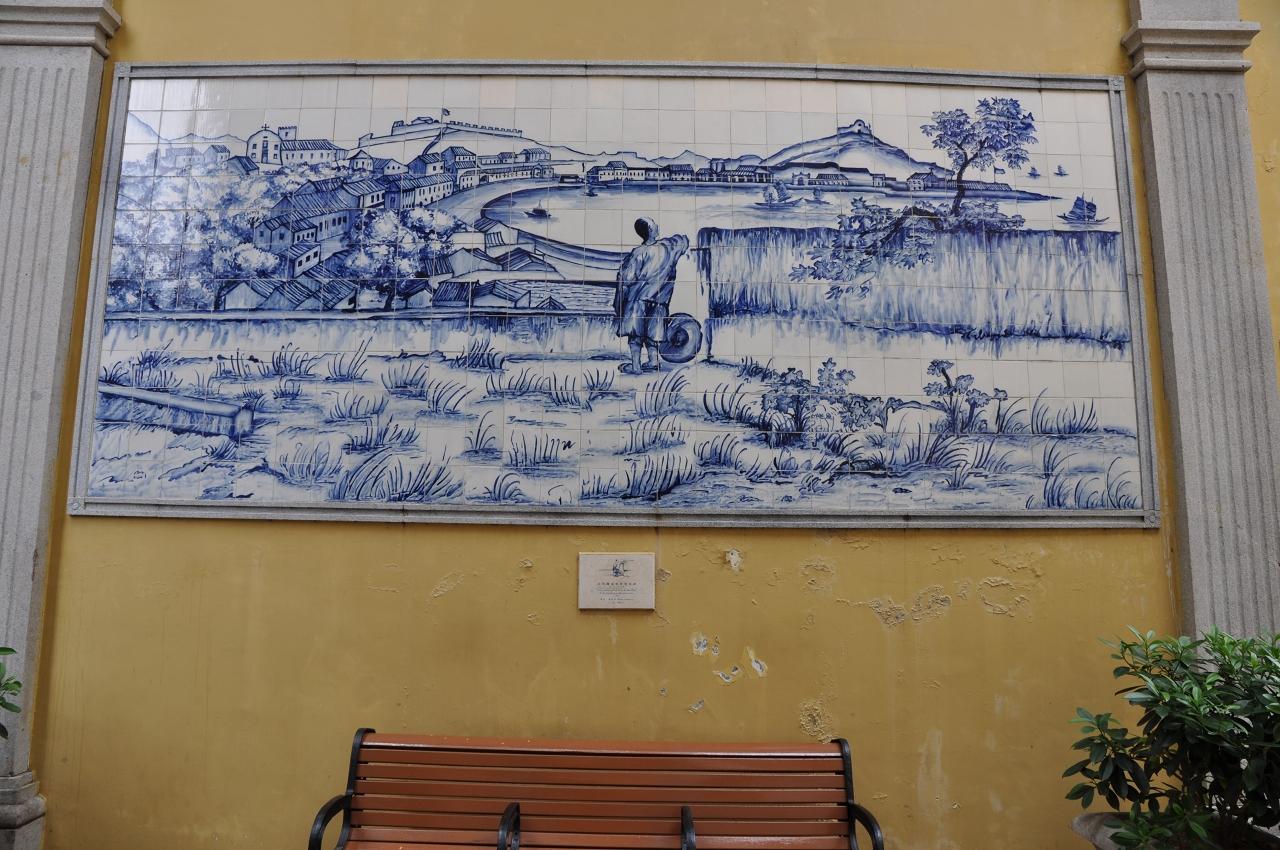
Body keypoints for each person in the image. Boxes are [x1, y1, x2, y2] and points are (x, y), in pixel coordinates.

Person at [614, 217, 689, 374]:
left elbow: (627, 278)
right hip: (660, 300)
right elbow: (683, 242)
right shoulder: (667, 248)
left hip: (639, 299)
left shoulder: (638, 253)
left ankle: (636, 366)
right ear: (649, 230)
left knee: (635, 334)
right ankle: (653, 361)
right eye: (654, 223)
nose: (657, 225)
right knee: (652, 333)